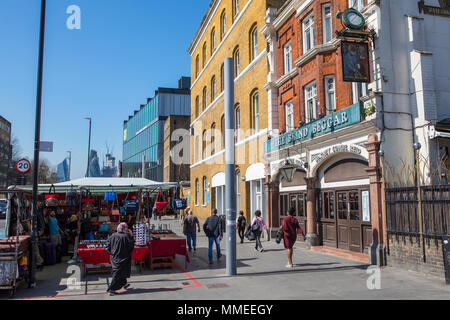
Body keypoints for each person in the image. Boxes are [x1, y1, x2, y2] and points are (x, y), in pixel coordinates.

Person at [105, 223, 135, 296]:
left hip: (114, 258)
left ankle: (124, 283)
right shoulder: (127, 236)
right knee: (118, 274)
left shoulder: (113, 235)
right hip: (123, 258)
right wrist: (131, 236)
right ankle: (111, 289)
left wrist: (112, 253)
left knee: (120, 272)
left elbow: (106, 247)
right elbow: (131, 246)